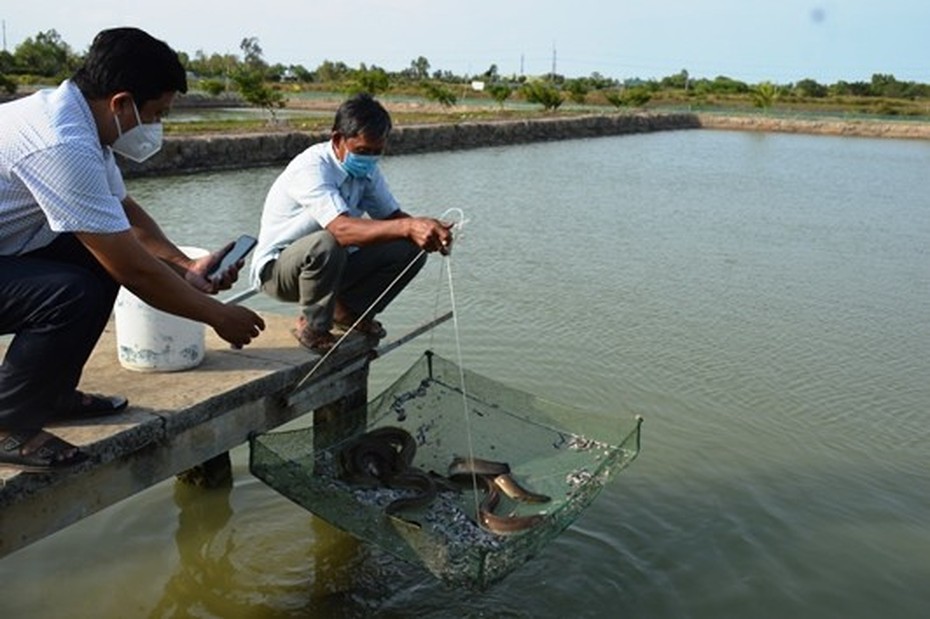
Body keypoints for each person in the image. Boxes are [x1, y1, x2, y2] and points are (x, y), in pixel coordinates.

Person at [0, 27, 266, 473]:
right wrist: (216, 315)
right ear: (122, 102)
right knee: (72, 291)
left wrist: (185, 268)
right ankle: (7, 423)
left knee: (91, 258)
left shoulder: (81, 122)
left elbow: (122, 214)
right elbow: (134, 271)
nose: (156, 127)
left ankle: (53, 395)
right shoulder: (60, 142)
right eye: (157, 114)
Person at [250, 93, 453, 353]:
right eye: (362, 151)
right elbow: (341, 230)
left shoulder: (367, 172)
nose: (369, 158)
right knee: (328, 241)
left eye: (376, 152)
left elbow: (392, 218)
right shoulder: (312, 168)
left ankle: (347, 312)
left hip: (334, 265)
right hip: (279, 272)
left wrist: (428, 228)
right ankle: (313, 325)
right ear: (337, 140)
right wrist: (408, 227)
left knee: (410, 249)